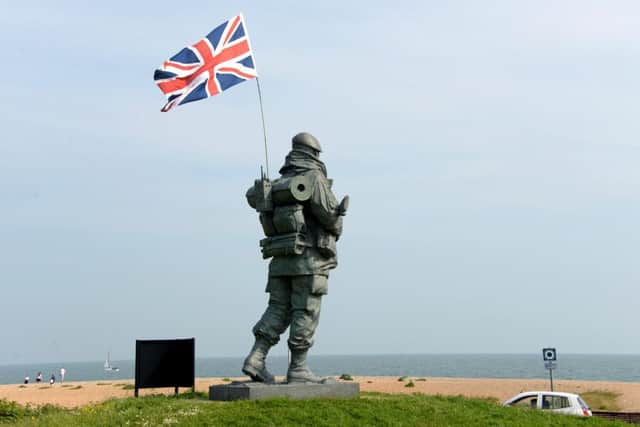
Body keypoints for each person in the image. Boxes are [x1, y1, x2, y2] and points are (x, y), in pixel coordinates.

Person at [242, 132, 347, 384]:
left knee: (278, 308)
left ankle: (256, 358)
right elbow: (329, 217)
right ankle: (299, 368)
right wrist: (339, 219)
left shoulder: (280, 182)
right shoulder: (313, 178)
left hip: (280, 258)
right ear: (314, 154)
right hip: (309, 261)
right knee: (305, 310)